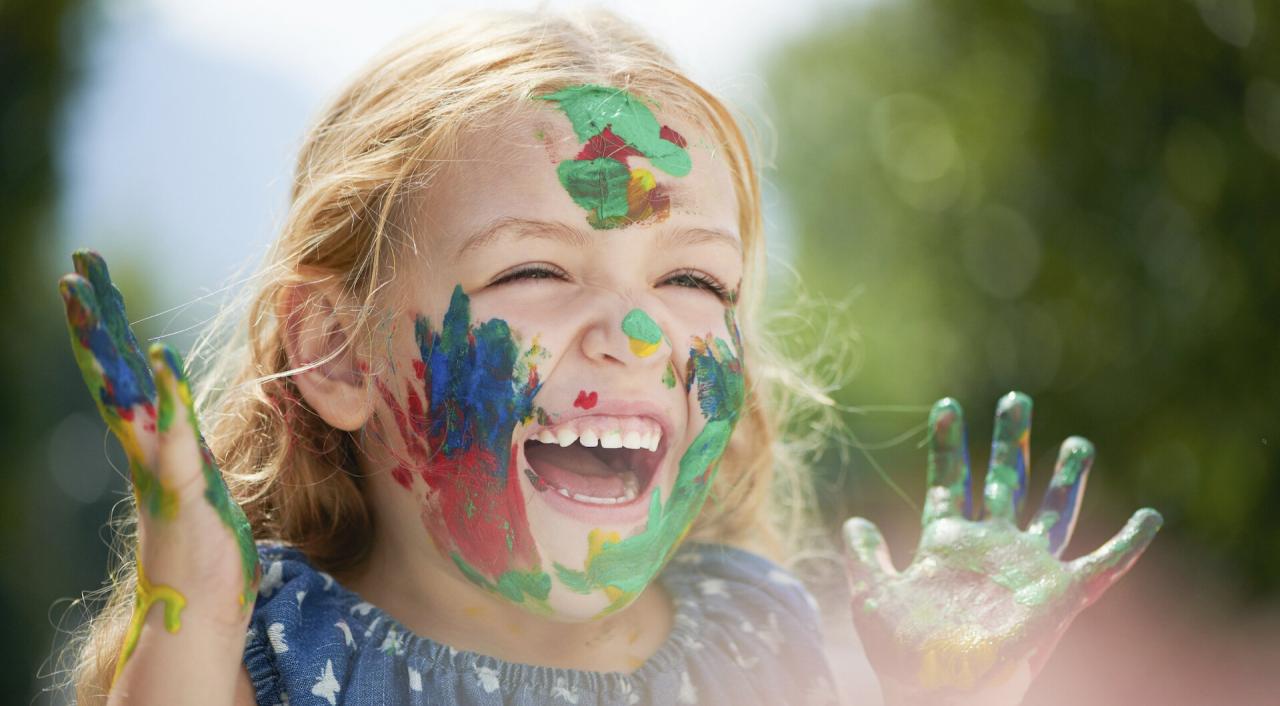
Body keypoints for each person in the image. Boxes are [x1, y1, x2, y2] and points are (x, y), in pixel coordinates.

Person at [57, 9, 1162, 705]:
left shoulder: (754, 642)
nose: (637, 335)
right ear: (335, 352)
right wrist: (191, 607)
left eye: (691, 282)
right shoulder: (274, 656)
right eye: (533, 269)